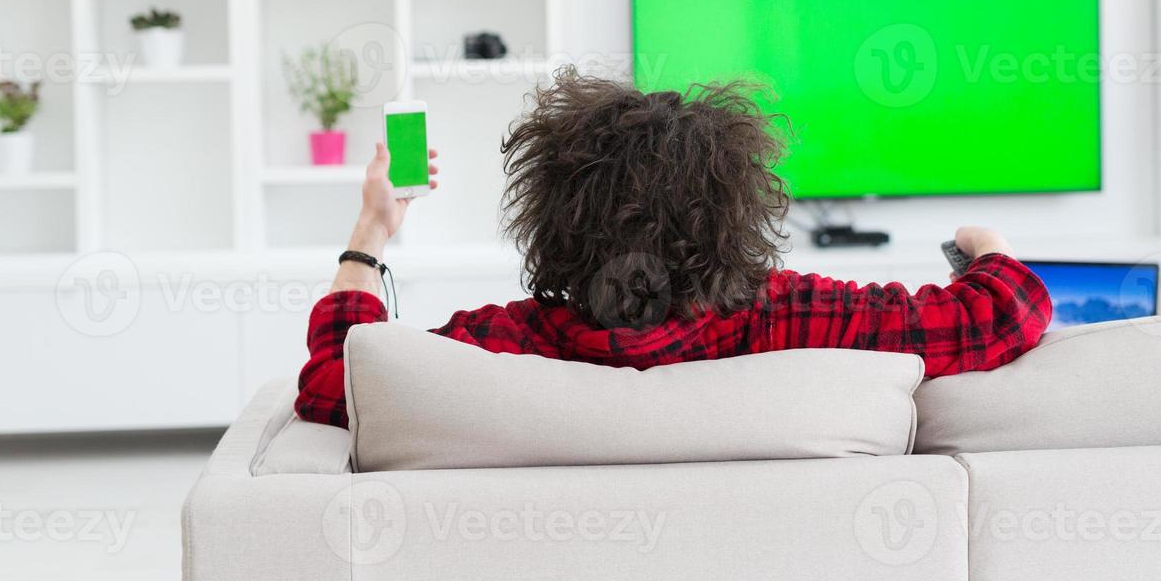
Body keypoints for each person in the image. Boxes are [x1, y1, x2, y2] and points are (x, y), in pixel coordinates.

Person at [296, 71, 1052, 428]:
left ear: (552, 216)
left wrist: (370, 233)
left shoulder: (499, 346)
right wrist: (984, 245)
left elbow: (335, 381)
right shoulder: (799, 318)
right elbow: (1001, 315)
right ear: (737, 212)